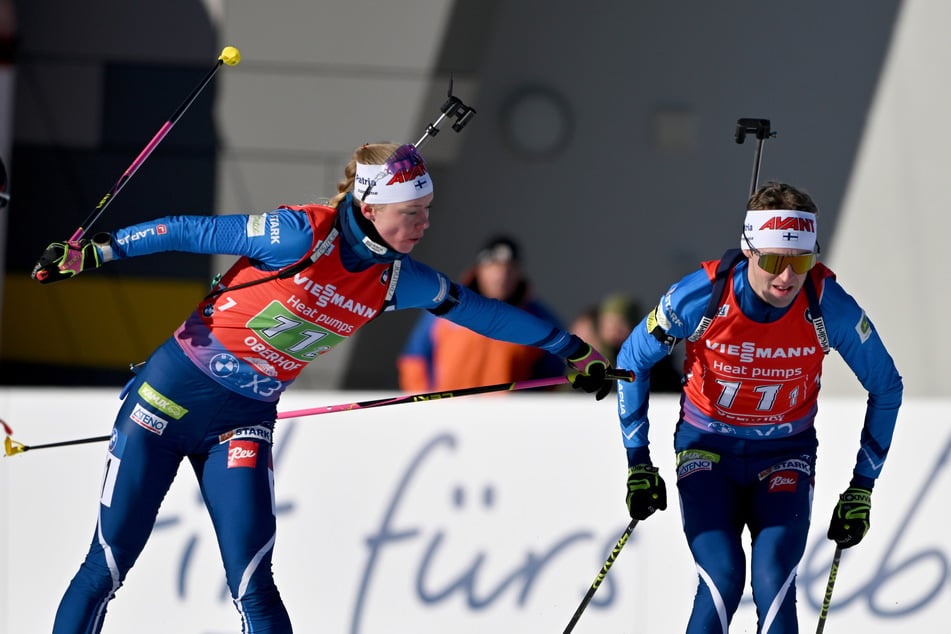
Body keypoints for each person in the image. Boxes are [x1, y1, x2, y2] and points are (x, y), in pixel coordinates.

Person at [31, 142, 615, 633]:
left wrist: (572, 350)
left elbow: (481, 313)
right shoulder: (298, 233)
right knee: (106, 566)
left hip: (243, 421)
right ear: (372, 205)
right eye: (413, 211)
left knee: (254, 582)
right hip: (165, 402)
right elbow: (189, 229)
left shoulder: (394, 279)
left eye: (428, 209)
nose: (425, 223)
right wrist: (101, 251)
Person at [614, 181, 902, 633]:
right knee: (723, 577)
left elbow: (886, 387)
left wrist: (863, 486)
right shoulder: (701, 297)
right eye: (772, 261)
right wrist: (638, 461)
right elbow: (631, 360)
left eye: (801, 262)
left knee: (773, 580)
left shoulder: (829, 306)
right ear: (749, 250)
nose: (787, 278)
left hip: (785, 453)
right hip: (708, 449)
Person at [397, 234, 564, 391]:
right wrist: (425, 407)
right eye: (493, 265)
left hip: (504, 418)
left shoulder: (537, 318)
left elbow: (553, 373)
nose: (502, 275)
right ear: (479, 269)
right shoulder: (446, 305)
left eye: (510, 268)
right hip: (448, 414)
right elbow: (414, 359)